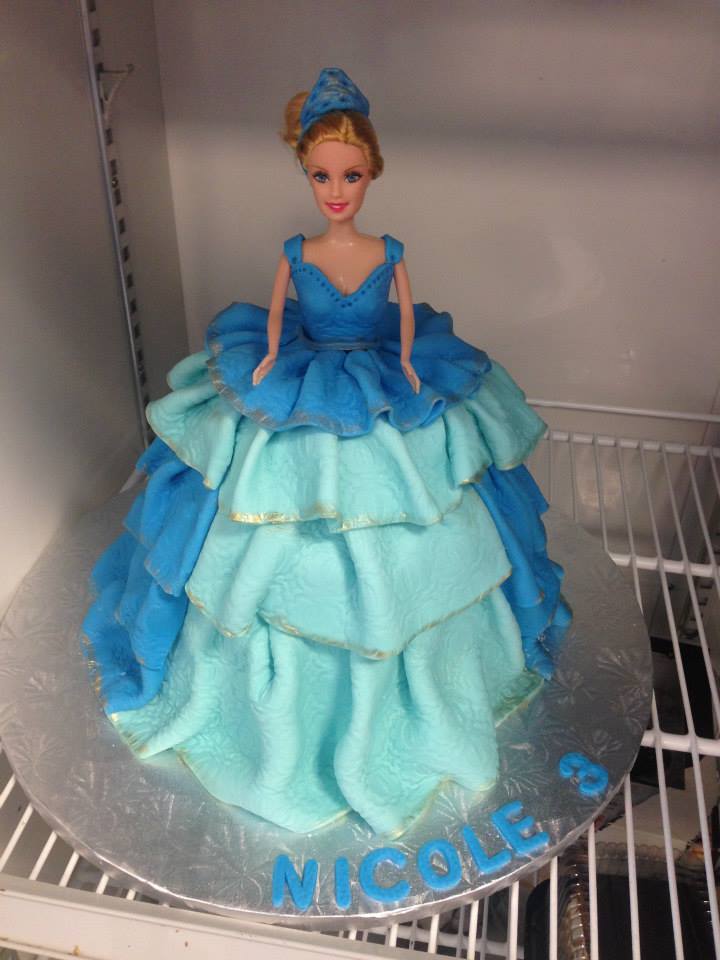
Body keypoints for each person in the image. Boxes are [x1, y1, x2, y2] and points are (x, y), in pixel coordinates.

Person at [81, 67, 570, 836]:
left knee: (418, 496)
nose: (336, 190)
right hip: (300, 369)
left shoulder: (387, 249)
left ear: (372, 172)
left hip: (381, 372)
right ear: (305, 173)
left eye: (350, 175)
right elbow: (278, 319)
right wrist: (268, 365)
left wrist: (407, 367)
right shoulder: (297, 250)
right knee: (257, 496)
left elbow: (402, 322)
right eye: (321, 175)